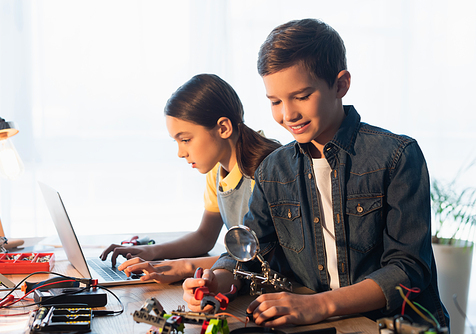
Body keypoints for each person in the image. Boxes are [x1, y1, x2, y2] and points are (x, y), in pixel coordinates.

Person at [182, 19, 450, 330]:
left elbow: (408, 270)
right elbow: (248, 250)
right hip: (323, 323)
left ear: (340, 85)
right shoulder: (274, 170)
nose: (288, 114)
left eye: (301, 96)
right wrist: (216, 280)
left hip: (396, 326)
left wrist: (318, 305)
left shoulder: (397, 156)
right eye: (275, 101)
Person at [99, 73, 281, 283]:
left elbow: (259, 260)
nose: (180, 152)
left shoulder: (268, 171)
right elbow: (205, 237)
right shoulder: (218, 169)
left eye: (185, 139)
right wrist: (149, 252)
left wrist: (182, 267)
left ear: (223, 128)